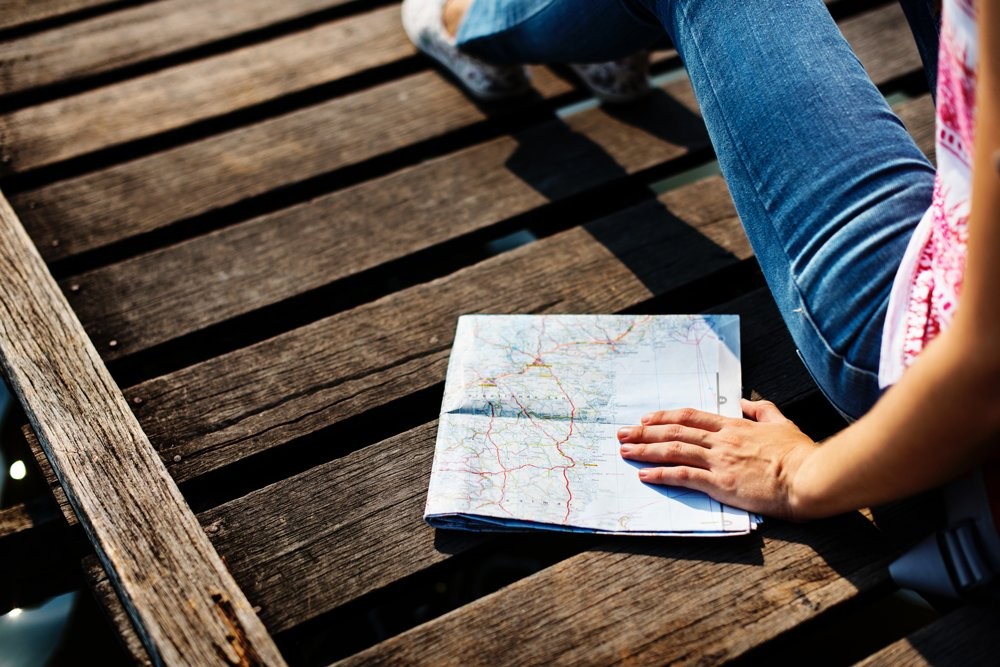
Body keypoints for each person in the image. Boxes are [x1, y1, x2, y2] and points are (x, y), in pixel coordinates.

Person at [403, 0, 1000, 595]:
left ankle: (476, 26)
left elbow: (981, 376)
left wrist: (799, 475)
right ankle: (589, 36)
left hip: (921, 347)